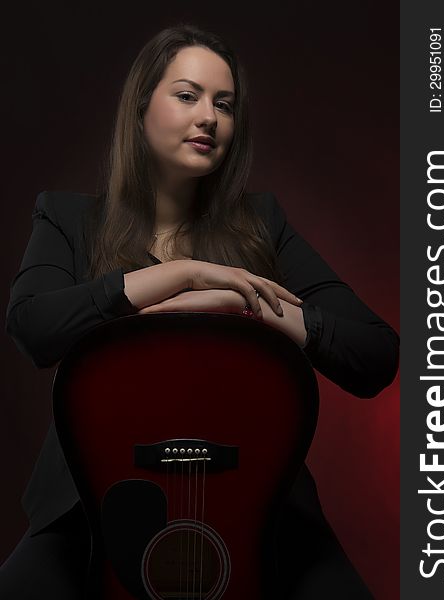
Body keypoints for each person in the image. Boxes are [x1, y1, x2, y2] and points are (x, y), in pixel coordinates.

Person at [1, 23, 399, 599]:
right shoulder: (67, 219)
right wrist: (182, 276)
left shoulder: (263, 222)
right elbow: (33, 327)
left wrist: (251, 307)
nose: (209, 116)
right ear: (140, 110)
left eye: (225, 104)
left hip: (261, 498)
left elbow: (375, 355)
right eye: (187, 95)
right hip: (89, 503)